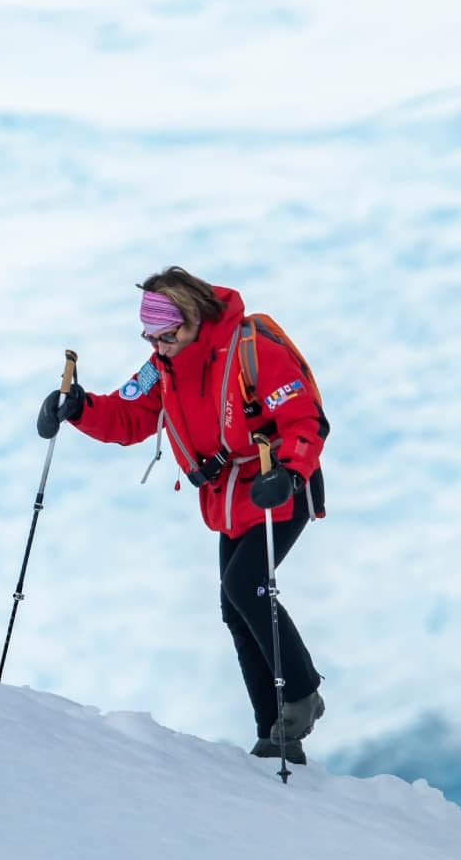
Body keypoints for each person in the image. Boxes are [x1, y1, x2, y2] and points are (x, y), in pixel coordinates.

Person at [37, 266, 328, 763]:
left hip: (276, 485)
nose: (159, 346)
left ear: (192, 318)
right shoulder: (164, 367)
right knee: (234, 607)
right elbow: (128, 417)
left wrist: (292, 471)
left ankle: (302, 694)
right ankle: (276, 737)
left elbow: (305, 419)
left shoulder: (251, 349)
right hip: (227, 497)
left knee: (245, 587)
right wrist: (78, 408)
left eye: (167, 335)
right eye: (151, 337)